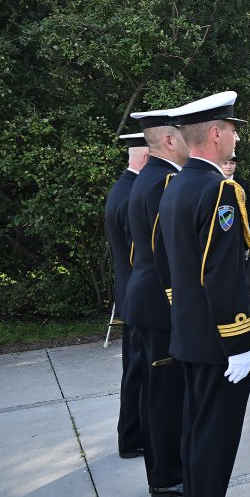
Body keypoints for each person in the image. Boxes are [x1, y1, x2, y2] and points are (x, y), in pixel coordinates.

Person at [157, 91, 250, 497]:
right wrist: (238, 337)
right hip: (220, 338)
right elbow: (220, 273)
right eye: (234, 128)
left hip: (191, 330)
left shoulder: (174, 185)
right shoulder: (217, 189)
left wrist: (181, 311)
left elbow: (168, 265)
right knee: (214, 433)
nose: (238, 136)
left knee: (196, 427)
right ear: (216, 134)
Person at [123, 110, 188, 497]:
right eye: (181, 135)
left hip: (144, 298)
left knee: (155, 391)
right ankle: (166, 476)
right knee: (165, 395)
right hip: (159, 303)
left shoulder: (146, 178)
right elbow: (169, 253)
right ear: (168, 141)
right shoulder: (164, 181)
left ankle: (164, 470)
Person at [104, 132, 147, 459]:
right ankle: (132, 437)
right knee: (138, 372)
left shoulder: (124, 188)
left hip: (130, 294)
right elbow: (142, 255)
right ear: (145, 157)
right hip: (138, 297)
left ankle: (132, 435)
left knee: (135, 369)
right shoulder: (133, 194)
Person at [222, 155, 250, 351]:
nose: (230, 166)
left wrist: (249, 239)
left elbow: (248, 213)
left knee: (248, 287)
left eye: (232, 163)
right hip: (225, 245)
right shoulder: (216, 184)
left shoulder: (242, 184)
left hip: (242, 240)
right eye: (226, 163)